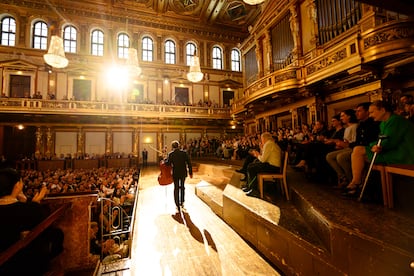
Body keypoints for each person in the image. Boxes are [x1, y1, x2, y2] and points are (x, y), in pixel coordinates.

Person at [0, 168, 64, 275]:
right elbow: (46, 231)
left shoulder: (27, 207)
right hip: (24, 265)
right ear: (16, 186)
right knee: (57, 234)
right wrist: (34, 205)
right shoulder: (30, 209)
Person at [345, 100, 414, 195]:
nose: (370, 115)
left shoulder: (396, 120)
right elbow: (381, 140)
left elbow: (390, 142)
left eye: (372, 112)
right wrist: (374, 145)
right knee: (358, 152)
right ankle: (360, 184)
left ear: (382, 110)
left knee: (358, 150)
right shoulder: (383, 123)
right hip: (391, 151)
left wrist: (376, 146)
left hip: (404, 154)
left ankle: (357, 183)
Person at [326, 109, 358, 188]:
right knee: (329, 156)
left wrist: (343, 144)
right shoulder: (347, 128)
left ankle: (352, 181)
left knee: (341, 157)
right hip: (346, 148)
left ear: (349, 116)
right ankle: (343, 177)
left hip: (353, 149)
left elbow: (354, 143)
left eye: (343, 116)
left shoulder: (355, 127)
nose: (341, 118)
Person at [243, 132, 282, 197]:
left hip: (273, 167)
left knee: (251, 167)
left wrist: (257, 154)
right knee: (253, 164)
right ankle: (249, 186)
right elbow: (265, 157)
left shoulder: (268, 144)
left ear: (264, 138)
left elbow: (263, 159)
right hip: (273, 166)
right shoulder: (270, 143)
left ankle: (254, 190)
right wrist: (260, 151)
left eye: (261, 139)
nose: (261, 140)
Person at [165, 141, 193, 211]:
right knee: (182, 187)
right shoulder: (184, 153)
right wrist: (190, 172)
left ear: (172, 147)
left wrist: (165, 159)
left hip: (176, 173)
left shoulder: (171, 154)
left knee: (176, 188)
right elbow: (189, 163)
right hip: (183, 172)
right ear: (179, 146)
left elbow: (168, 164)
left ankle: (177, 204)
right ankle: (182, 202)